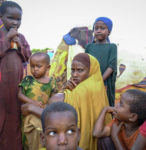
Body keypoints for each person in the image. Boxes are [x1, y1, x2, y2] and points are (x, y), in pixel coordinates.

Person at [21, 53, 111, 150]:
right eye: (72, 70)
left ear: (91, 71)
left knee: (32, 120)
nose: (75, 74)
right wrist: (67, 89)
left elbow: (55, 105)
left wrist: (31, 108)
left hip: (73, 143)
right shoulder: (97, 85)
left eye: (80, 70)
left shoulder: (86, 89)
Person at [0, 1, 31, 149]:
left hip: (17, 86)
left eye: (18, 19)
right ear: (1, 17)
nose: (15, 22)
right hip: (2, 87)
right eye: (10, 18)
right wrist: (6, 39)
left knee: (16, 119)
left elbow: (28, 56)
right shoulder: (1, 35)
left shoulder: (22, 37)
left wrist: (19, 45)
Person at [18, 52, 58, 150]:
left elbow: (53, 98)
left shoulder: (51, 82)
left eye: (38, 66)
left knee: (41, 140)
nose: (35, 69)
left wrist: (47, 107)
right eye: (32, 66)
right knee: (28, 139)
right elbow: (19, 95)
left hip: (42, 116)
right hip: (28, 116)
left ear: (48, 67)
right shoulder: (28, 80)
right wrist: (33, 103)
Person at [85, 17, 117, 106]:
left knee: (103, 104)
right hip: (89, 81)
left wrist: (100, 80)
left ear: (109, 31)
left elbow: (112, 66)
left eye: (102, 28)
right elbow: (84, 64)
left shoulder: (112, 47)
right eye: (96, 28)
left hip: (104, 82)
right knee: (90, 104)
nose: (98, 30)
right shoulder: (89, 47)